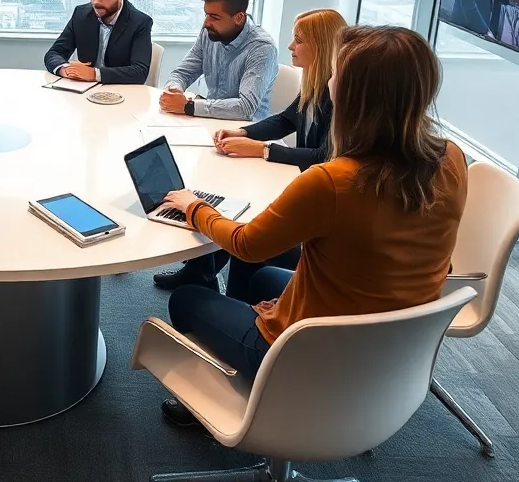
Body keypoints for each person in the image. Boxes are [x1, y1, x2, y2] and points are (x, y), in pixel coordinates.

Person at [154, 26, 467, 429]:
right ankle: (248, 346)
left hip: (313, 352)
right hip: (392, 343)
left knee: (188, 299)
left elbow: (245, 243)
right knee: (263, 276)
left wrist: (193, 207)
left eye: (335, 73)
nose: (328, 80)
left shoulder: (333, 181)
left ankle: (241, 388)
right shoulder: (453, 158)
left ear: (353, 94)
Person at [152, 8, 347, 292]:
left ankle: (222, 292)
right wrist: (243, 132)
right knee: (236, 202)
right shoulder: (314, 84)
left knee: (247, 219)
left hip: (314, 203)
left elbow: (323, 156)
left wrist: (262, 150)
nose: (290, 46)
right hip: (304, 185)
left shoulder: (337, 96)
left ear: (321, 46)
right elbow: (284, 120)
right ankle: (200, 271)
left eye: (298, 40)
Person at [158, 0, 277, 121]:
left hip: (246, 131)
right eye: (206, 14)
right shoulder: (209, 33)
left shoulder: (262, 48)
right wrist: (174, 90)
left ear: (238, 18)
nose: (206, 23)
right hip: (210, 120)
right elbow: (182, 73)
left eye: (214, 17)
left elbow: (245, 108)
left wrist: (189, 106)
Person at [43, 0, 154, 85]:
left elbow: (139, 72)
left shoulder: (140, 22)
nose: (96, 2)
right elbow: (54, 53)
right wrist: (65, 69)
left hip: (120, 93)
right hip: (82, 91)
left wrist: (94, 74)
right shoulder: (81, 14)